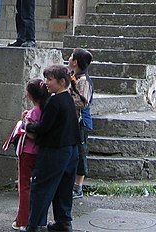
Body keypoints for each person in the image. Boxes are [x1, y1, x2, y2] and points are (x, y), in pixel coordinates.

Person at [24, 64, 80, 232]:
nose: (46, 83)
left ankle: (34, 225)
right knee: (64, 188)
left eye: (50, 80)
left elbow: (44, 127)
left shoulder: (55, 101)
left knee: (41, 187)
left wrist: (28, 126)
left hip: (55, 150)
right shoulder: (68, 98)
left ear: (62, 82)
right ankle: (63, 222)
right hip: (71, 148)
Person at [13, 78, 50, 231]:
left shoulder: (33, 113)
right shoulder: (47, 109)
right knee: (37, 187)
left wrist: (24, 124)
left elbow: (32, 134)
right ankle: (35, 219)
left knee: (24, 186)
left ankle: (23, 220)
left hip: (28, 152)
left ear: (29, 95)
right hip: (41, 153)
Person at [68, 49, 94, 199]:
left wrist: (65, 99)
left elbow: (83, 102)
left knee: (80, 153)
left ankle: (78, 187)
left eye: (71, 56)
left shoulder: (83, 80)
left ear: (75, 61)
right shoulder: (75, 77)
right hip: (74, 121)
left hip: (81, 122)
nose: (69, 58)